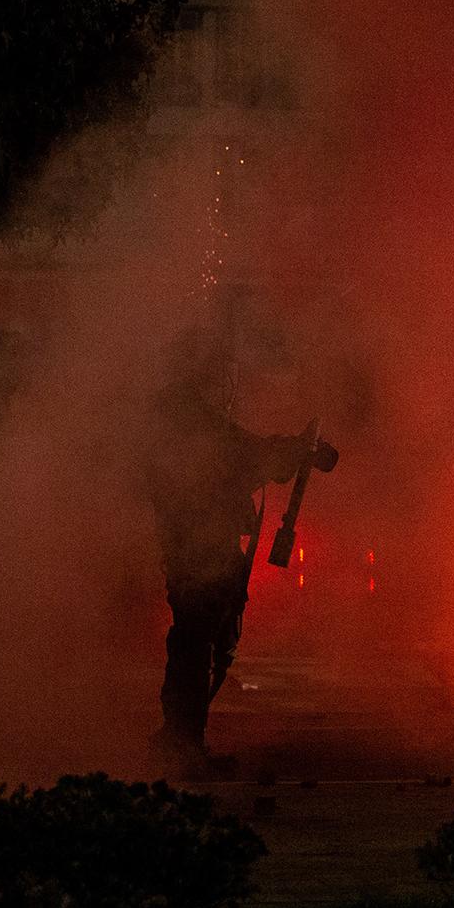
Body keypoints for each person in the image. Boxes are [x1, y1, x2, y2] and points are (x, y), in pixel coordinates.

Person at [143, 325, 336, 775]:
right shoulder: (187, 421)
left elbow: (241, 455)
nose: (226, 384)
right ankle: (181, 744)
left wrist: (294, 451)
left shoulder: (182, 417)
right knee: (199, 643)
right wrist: (295, 450)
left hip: (201, 546)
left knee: (204, 639)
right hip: (198, 549)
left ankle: (182, 740)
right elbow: (240, 456)